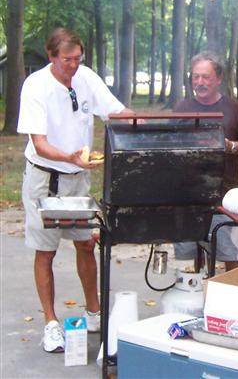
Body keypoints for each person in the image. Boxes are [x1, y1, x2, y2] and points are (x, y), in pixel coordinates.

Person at [17, 28, 134, 353]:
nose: (73, 66)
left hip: (77, 178)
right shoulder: (36, 85)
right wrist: (69, 157)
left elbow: (115, 111)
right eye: (67, 60)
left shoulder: (85, 77)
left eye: (77, 59)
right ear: (52, 56)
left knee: (85, 245)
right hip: (45, 178)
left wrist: (149, 122)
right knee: (46, 251)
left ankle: (94, 313)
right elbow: (39, 144)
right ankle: (51, 324)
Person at [173, 52, 238, 271]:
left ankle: (231, 296)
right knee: (195, 250)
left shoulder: (234, 108)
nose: (200, 82)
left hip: (224, 195)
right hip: (188, 194)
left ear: (219, 79)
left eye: (206, 77)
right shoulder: (181, 108)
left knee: (229, 251)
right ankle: (199, 292)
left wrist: (231, 146)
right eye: (196, 77)